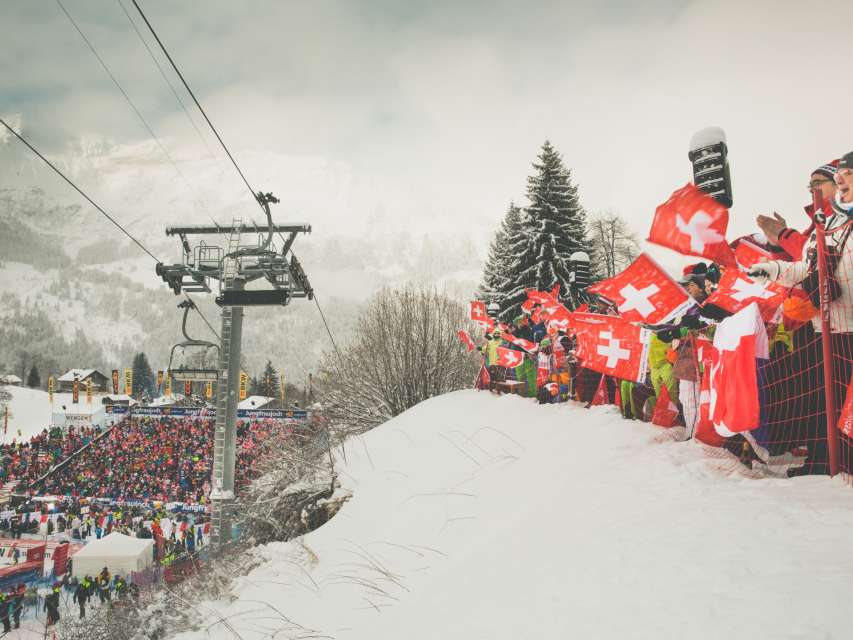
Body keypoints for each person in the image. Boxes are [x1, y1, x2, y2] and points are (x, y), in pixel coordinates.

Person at [752, 151, 853, 473]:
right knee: (826, 399)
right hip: (824, 327)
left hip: (848, 324)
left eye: (818, 183)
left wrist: (783, 236)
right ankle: (825, 459)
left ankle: (840, 461)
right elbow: (805, 266)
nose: (813, 188)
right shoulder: (820, 227)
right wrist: (771, 267)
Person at [756, 160, 839, 260]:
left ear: (839, 184)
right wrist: (777, 243)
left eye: (817, 183)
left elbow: (819, 258)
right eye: (810, 186)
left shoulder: (845, 218)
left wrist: (783, 234)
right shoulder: (813, 227)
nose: (812, 190)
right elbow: (794, 268)